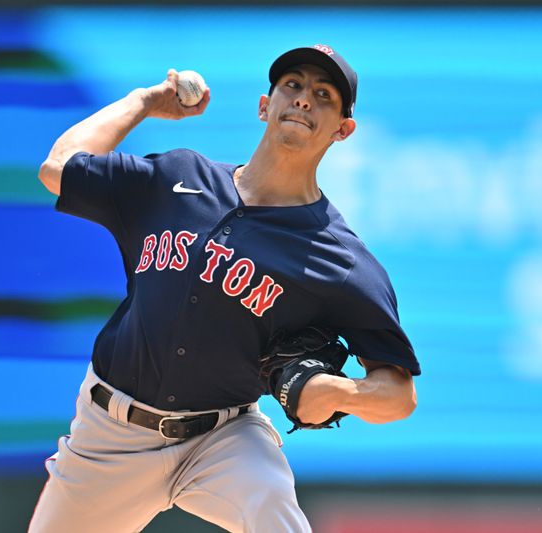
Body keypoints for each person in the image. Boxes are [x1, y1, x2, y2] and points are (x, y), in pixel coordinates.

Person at [30, 44, 420, 533]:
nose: (303, 100)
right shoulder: (176, 178)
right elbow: (57, 168)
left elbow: (399, 395)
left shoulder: (339, 258)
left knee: (273, 510)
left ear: (343, 130)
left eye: (324, 95)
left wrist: (341, 391)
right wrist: (145, 102)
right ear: (265, 105)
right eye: (292, 86)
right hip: (110, 436)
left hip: (223, 437)